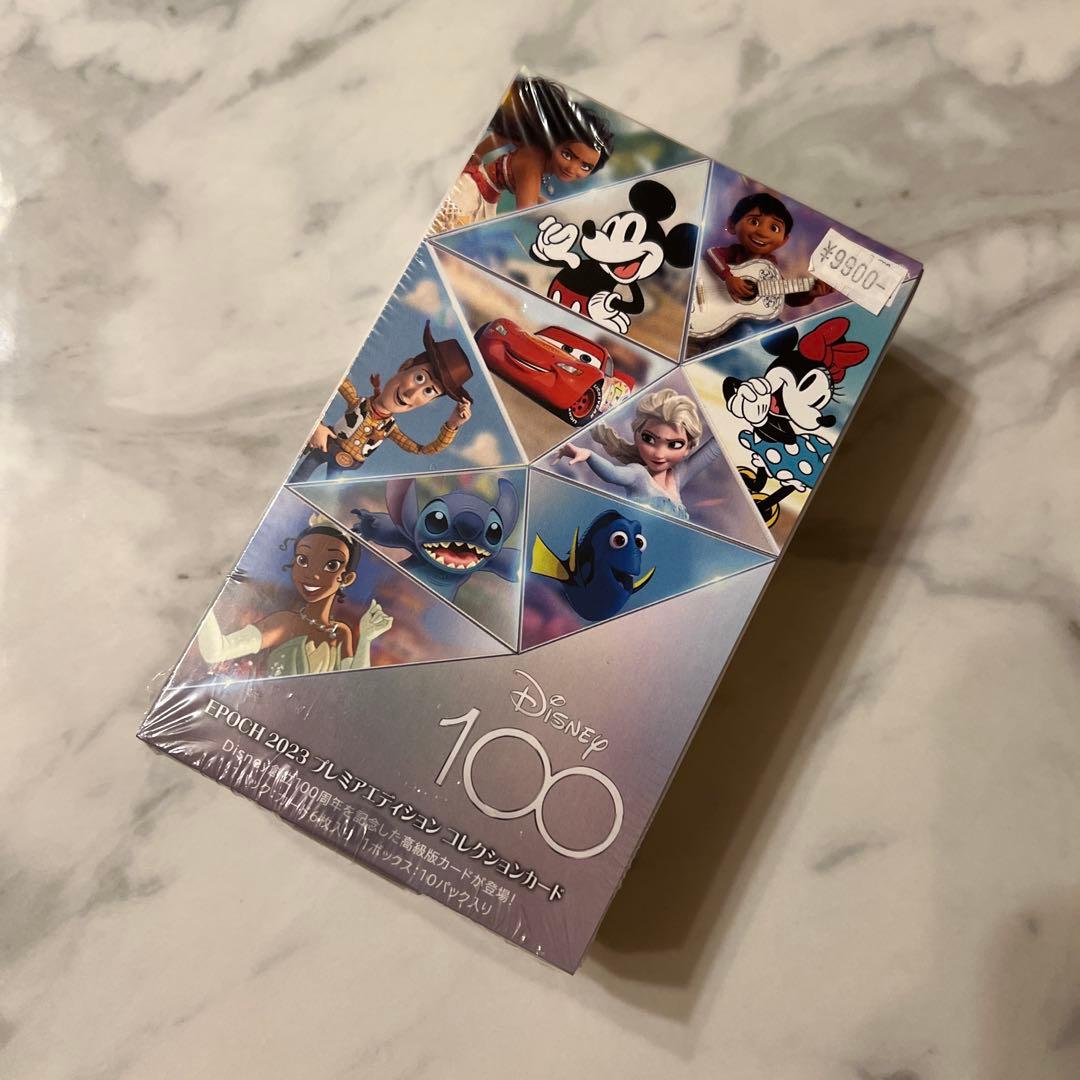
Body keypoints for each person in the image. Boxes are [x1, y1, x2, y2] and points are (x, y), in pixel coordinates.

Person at [197, 518, 393, 677]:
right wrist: (201, 594)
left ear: (347, 578)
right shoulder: (284, 623)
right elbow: (217, 651)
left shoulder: (341, 633)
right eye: (303, 560)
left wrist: (366, 638)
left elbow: (353, 683)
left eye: (331, 565)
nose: (313, 574)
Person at [292, 321, 473, 482]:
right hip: (325, 446)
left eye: (428, 391)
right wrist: (317, 426)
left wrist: (452, 425)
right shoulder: (358, 402)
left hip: (346, 465)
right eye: (419, 378)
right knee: (298, 478)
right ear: (405, 366)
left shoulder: (390, 429)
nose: (411, 393)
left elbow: (423, 450)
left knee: (322, 492)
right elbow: (332, 374)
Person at [429, 76, 614, 234]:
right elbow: (526, 208)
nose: (572, 168)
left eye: (585, 166)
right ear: (554, 143)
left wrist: (559, 213)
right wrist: (557, 221)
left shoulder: (537, 154)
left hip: (485, 195)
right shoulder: (533, 159)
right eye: (567, 154)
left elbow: (504, 138)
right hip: (470, 194)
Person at [557, 388, 722, 521]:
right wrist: (589, 455)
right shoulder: (638, 474)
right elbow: (612, 473)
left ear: (688, 447)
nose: (659, 454)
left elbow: (714, 449)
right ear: (637, 435)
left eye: (674, 445)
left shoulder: (678, 476)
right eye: (649, 439)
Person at [706, 192, 831, 306]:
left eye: (774, 228)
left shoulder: (770, 268)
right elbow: (712, 253)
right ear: (732, 225)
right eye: (754, 222)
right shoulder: (735, 252)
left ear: (784, 240)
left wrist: (810, 295)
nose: (763, 233)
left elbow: (787, 297)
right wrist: (728, 278)